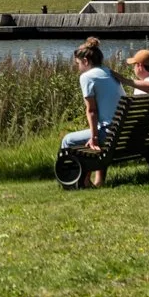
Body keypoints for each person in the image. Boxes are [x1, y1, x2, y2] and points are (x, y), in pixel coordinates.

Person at [61, 37, 121, 186]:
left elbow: (92, 110)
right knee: (93, 134)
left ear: (86, 61)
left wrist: (94, 137)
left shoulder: (87, 77)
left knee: (68, 140)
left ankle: (72, 181)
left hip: (109, 133)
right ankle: (96, 180)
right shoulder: (109, 72)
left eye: (78, 64)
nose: (78, 68)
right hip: (122, 130)